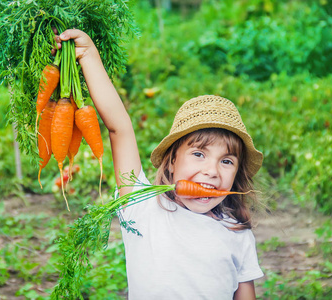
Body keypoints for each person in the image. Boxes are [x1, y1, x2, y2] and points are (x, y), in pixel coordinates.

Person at [56, 29, 264, 300]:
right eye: (199, 154)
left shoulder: (236, 231)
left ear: (237, 174)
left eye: (226, 161)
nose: (212, 171)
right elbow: (119, 128)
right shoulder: (142, 207)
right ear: (173, 160)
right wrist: (88, 56)